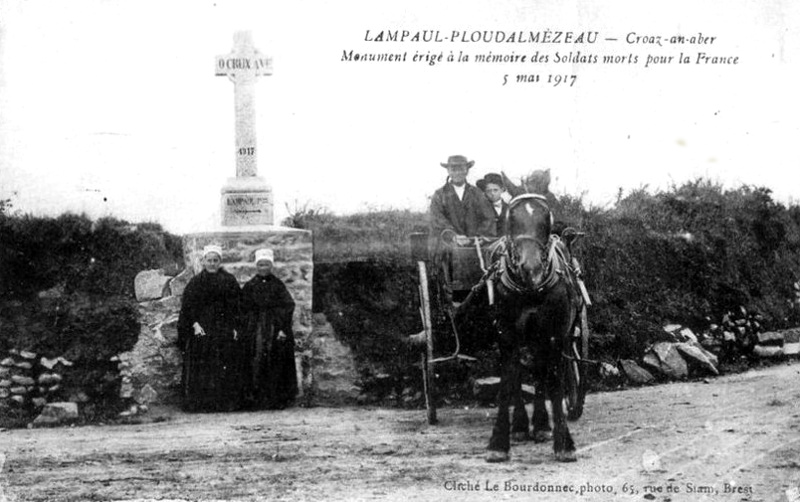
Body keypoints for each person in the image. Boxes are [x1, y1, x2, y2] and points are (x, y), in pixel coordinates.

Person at [177, 244, 243, 412]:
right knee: (203, 364)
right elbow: (189, 307)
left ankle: (224, 402)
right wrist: (195, 323)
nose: (212, 264)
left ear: (220, 262)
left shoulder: (229, 280)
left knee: (225, 362)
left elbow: (237, 306)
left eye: (215, 260)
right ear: (204, 261)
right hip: (203, 327)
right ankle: (203, 403)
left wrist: (236, 326)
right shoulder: (196, 282)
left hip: (223, 328)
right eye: (209, 260)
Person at [241, 248, 298, 410]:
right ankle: (255, 399)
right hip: (256, 328)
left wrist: (282, 328)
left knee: (276, 359)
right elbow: (243, 307)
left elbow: (288, 306)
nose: (263, 268)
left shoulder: (278, 285)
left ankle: (276, 399)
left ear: (271, 266)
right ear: (256, 266)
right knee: (256, 359)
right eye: (260, 265)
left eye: (266, 265)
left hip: (275, 327)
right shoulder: (250, 285)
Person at [430, 155, 497, 242]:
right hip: (448, 247)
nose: (457, 173)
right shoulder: (439, 195)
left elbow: (488, 217)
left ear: (467, 171)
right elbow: (438, 220)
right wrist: (453, 236)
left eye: (461, 169)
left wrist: (479, 237)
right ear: (448, 171)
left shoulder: (477, 193)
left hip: (476, 246)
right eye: (453, 170)